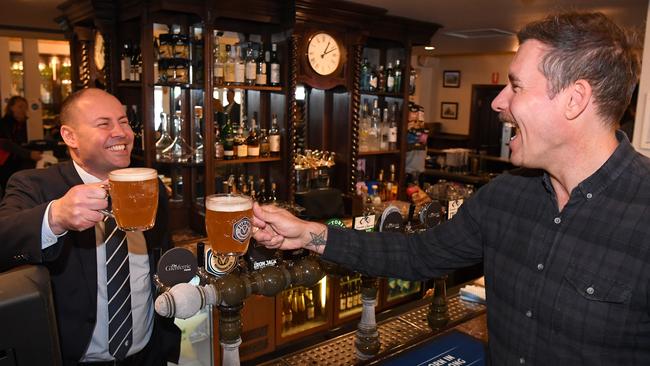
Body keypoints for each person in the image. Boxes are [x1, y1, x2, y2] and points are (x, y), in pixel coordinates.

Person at [252, 12, 649, 365]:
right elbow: (418, 254)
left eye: (516, 86)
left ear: (574, 99)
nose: (498, 102)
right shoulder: (505, 196)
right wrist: (310, 234)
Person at [0, 88, 180, 365]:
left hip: (148, 354)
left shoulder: (150, 184)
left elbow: (161, 260)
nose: (121, 132)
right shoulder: (34, 185)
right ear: (70, 136)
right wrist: (56, 216)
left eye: (123, 121)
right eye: (104, 124)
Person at [0, 96, 42, 191]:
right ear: (11, 108)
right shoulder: (4, 124)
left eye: (25, 107)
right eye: (20, 107)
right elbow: (6, 143)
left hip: (12, 164)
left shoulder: (19, 125)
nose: (23, 110)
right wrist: (29, 154)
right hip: (4, 166)